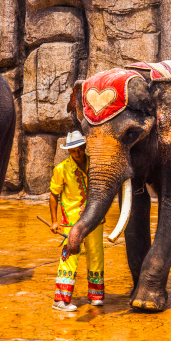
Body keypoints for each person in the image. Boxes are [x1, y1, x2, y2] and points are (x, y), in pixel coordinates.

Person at [48, 131, 104, 312]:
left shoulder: (95, 165)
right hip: (72, 221)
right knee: (70, 257)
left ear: (84, 147)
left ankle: (96, 295)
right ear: (69, 151)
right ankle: (61, 300)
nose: (77, 153)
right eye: (73, 151)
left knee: (96, 254)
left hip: (94, 219)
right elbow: (53, 195)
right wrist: (55, 221)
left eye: (79, 149)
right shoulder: (61, 169)